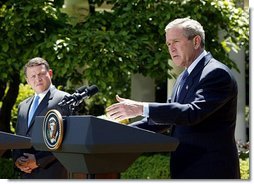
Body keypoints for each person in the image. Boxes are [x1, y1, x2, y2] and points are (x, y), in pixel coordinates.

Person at [106, 17, 240, 179]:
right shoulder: (183, 76)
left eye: (176, 41)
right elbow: (169, 118)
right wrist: (120, 132)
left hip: (211, 170)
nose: (171, 48)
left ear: (196, 41)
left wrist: (141, 108)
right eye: (169, 44)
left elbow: (192, 113)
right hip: (184, 168)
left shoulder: (216, 73)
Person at [12, 57, 72, 179]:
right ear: (27, 80)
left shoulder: (65, 100)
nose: (37, 79)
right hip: (25, 174)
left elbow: (69, 140)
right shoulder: (23, 106)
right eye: (33, 76)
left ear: (50, 73)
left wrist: (38, 160)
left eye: (41, 74)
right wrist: (17, 160)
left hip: (52, 173)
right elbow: (19, 137)